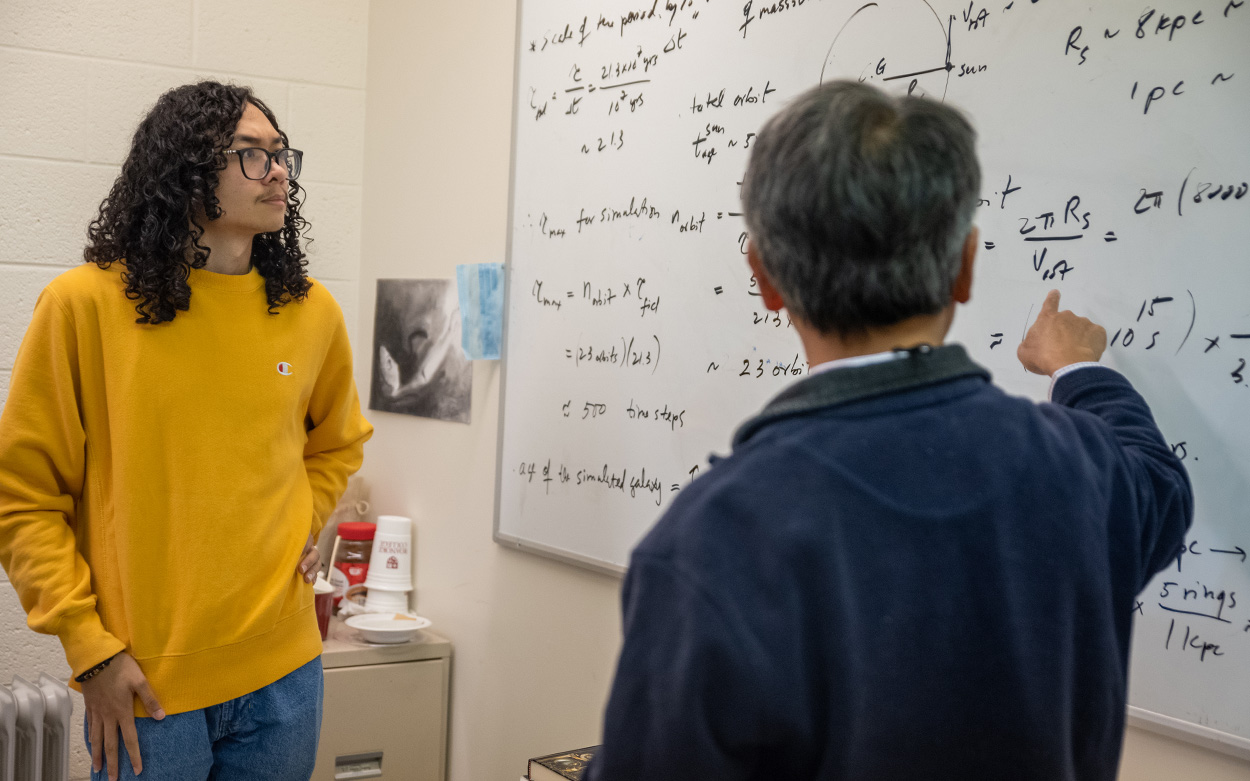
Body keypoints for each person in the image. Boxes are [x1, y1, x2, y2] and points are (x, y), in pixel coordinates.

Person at [588, 80, 1192, 781]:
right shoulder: (1080, 469)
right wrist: (1078, 369)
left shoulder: (714, 536)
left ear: (763, 276)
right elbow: (1159, 480)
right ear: (965, 265)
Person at [0, 81, 373, 781]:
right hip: (145, 685)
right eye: (252, 155)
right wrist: (92, 650)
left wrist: (306, 515)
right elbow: (21, 497)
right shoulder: (82, 306)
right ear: (186, 170)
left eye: (281, 153)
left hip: (286, 672)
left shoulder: (312, 311)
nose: (279, 170)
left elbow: (337, 442)